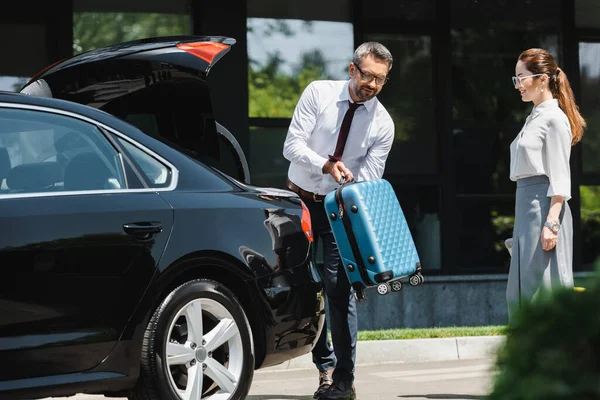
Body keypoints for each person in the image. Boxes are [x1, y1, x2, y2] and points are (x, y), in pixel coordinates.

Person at [282, 42, 394, 400]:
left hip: (340, 208)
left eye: (380, 80)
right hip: (299, 199)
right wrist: (327, 165)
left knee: (338, 287)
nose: (372, 85)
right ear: (352, 69)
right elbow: (292, 146)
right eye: (368, 76)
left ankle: (343, 379)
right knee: (302, 281)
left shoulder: (383, 123)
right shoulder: (319, 93)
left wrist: (346, 184)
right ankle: (324, 366)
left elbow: (369, 181)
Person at [507, 48, 586, 321]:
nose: (517, 85)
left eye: (521, 78)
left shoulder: (554, 118)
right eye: (515, 78)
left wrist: (552, 222)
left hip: (544, 207)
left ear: (542, 79)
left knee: (543, 290)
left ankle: (562, 357)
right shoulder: (534, 117)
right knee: (523, 292)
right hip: (527, 206)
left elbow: (560, 175)